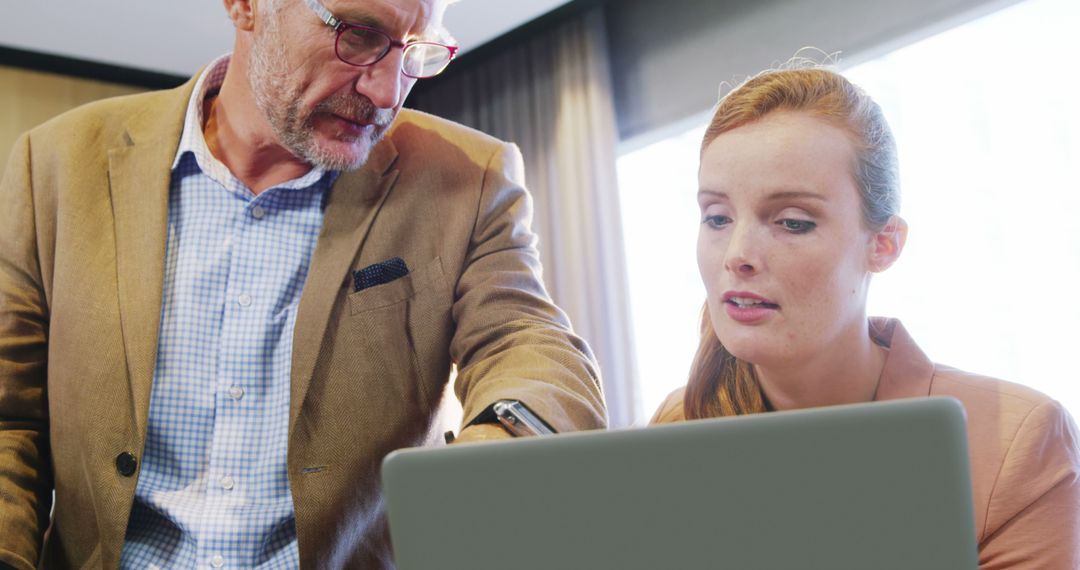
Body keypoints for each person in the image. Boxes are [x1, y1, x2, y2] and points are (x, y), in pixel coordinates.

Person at [0, 0, 607, 567]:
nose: (387, 91)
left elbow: (528, 342)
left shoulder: (470, 181)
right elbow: (9, 421)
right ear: (245, 5)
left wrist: (492, 463)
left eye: (415, 52)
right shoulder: (54, 165)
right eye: (359, 36)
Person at [650, 65, 1080, 567]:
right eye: (718, 218)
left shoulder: (1014, 439)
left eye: (792, 222)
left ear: (884, 244)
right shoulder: (678, 426)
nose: (737, 254)